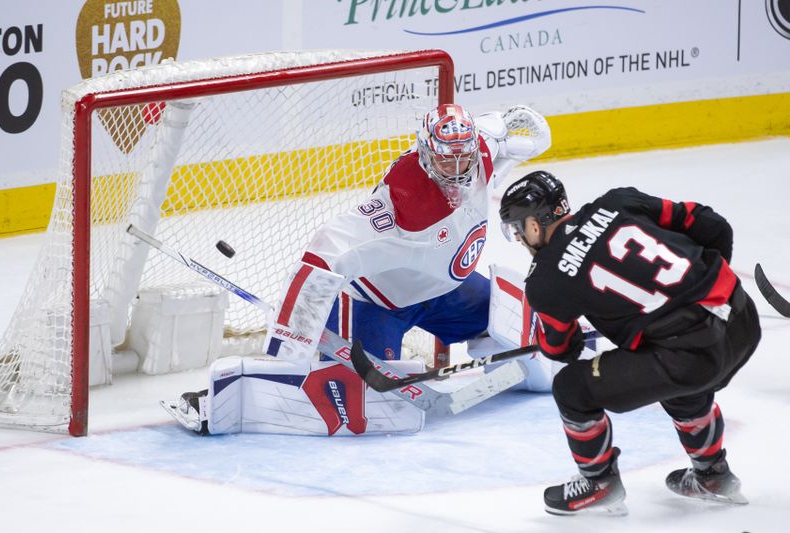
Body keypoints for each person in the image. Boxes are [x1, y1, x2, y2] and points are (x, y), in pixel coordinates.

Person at [171, 103, 554, 436]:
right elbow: (322, 254)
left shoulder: (480, 147)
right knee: (363, 405)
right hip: (377, 304)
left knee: (529, 340)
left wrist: (520, 135)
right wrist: (289, 344)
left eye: (463, 158)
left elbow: (519, 131)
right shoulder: (398, 207)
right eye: (445, 160)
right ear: (425, 154)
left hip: (446, 292)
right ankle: (235, 397)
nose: (456, 171)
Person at [498, 170, 761, 516]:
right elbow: (711, 224)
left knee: (572, 388)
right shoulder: (617, 201)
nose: (520, 238)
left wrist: (573, 332)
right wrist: (698, 292)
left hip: (693, 358)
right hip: (742, 320)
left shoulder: (546, 280)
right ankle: (712, 475)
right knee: (675, 376)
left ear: (534, 225)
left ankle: (598, 481)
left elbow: (560, 349)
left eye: (519, 229)